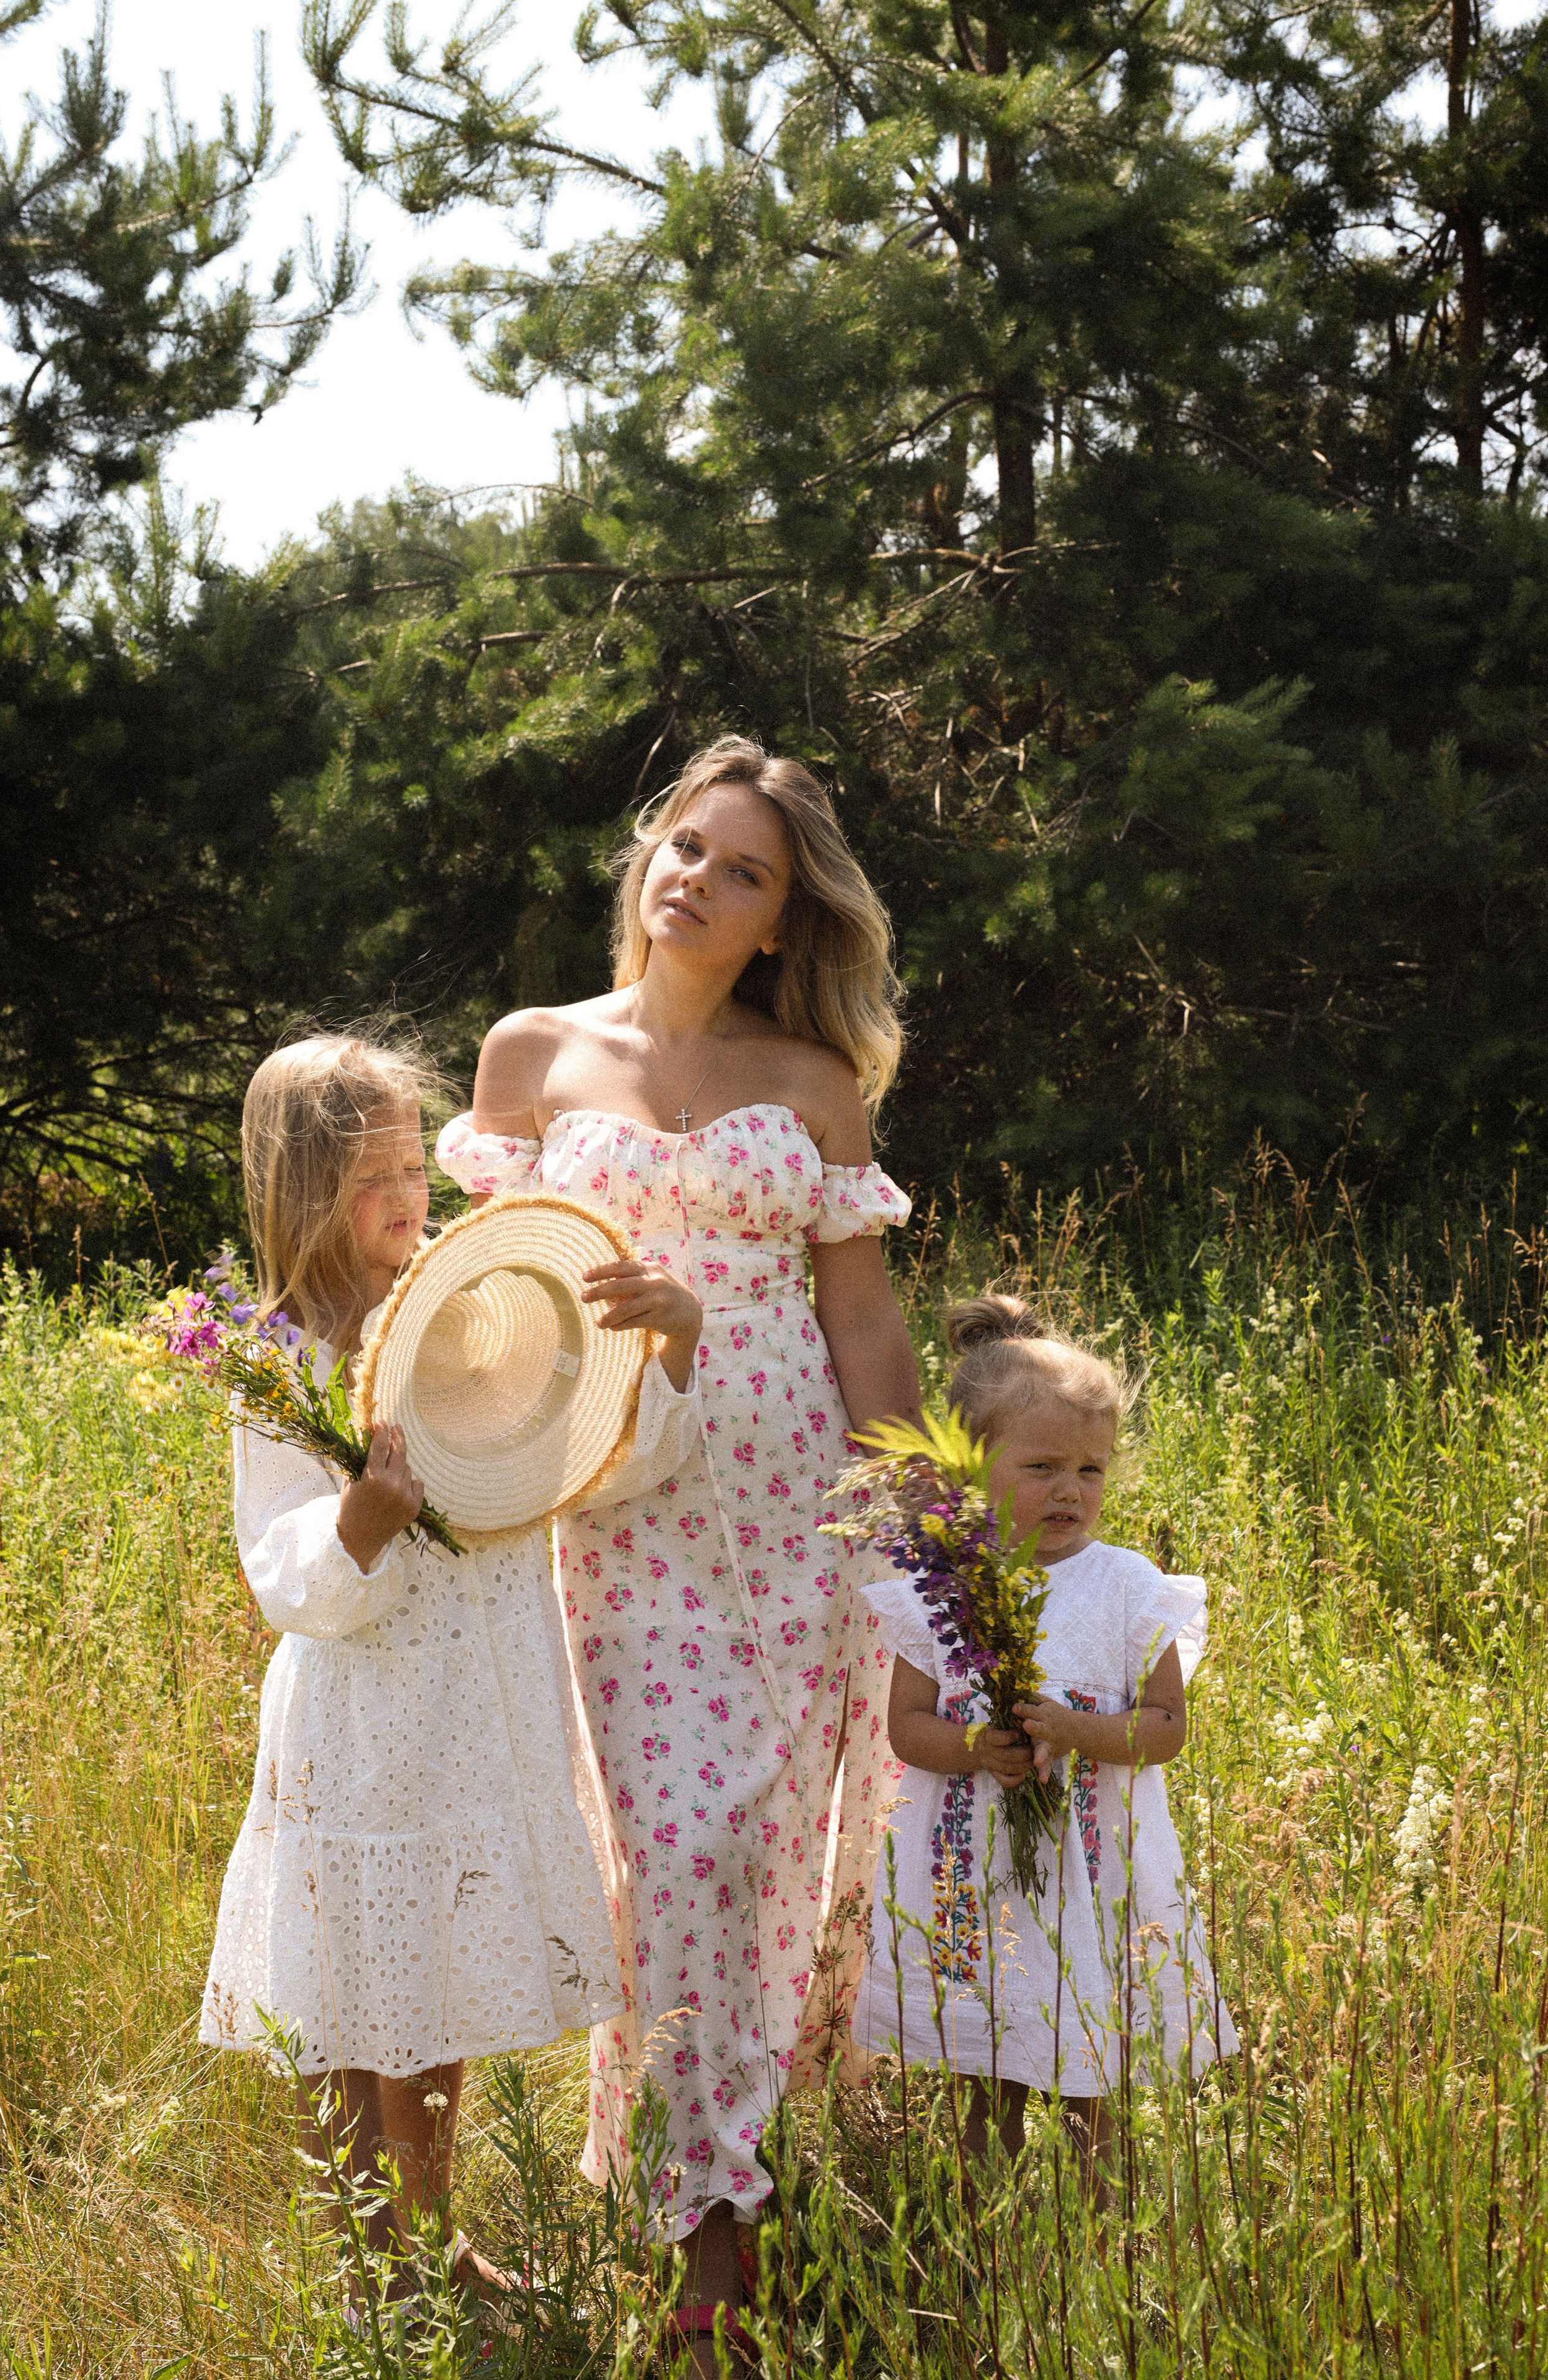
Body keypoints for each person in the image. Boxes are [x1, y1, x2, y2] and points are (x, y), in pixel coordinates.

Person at [435, 736, 921, 2364]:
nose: (697, 876)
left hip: (794, 1525)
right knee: (675, 1866)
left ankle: (733, 2192)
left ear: (783, 921)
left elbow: (861, 1317)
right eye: (684, 844)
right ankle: (709, 2254)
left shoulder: (814, 1085)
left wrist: (919, 1530)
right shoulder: (534, 1054)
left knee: (770, 1861)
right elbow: (479, 1301)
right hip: (626, 1513)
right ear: (647, 858)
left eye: (744, 868)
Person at [199, 1032, 705, 2310]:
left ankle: (428, 2249)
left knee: (426, 1997)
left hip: (473, 1711)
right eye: (377, 1176)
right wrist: (357, 1523)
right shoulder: (283, 1359)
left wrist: (668, 1353)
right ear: (301, 1189)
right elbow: (282, 1572)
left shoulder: (473, 1313)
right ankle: (379, 2262)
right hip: (368, 1719)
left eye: (417, 1163)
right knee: (346, 1997)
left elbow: (592, 1460)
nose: (411, 1195)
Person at [851, 1294, 1237, 2195]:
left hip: (1092, 1877)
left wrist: (1078, 1731)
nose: (1072, 1489)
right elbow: (905, 1725)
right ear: (973, 1468)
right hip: (977, 1873)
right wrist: (976, 1748)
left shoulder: (1126, 1587)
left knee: (1095, 2071)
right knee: (989, 2070)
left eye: (1091, 1469)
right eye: (1043, 1466)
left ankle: (1105, 2243)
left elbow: (1167, 1726)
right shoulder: (941, 1588)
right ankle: (995, 2240)